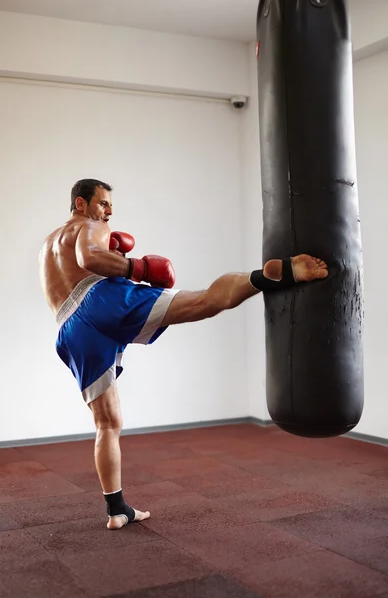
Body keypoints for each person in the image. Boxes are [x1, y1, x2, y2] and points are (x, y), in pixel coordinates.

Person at [39, 178, 328, 530]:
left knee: (108, 424)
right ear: (81, 204)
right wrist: (137, 268)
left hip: (69, 328)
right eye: (103, 204)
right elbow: (89, 258)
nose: (109, 213)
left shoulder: (47, 246)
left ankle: (117, 510)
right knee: (204, 301)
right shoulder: (89, 226)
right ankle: (265, 278)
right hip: (100, 300)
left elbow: (75, 269)